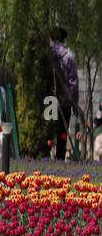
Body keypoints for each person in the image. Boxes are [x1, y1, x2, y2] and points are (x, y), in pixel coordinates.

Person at [47, 27, 78, 160]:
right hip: (65, 101)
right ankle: (59, 157)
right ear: (64, 39)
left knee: (50, 128)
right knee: (62, 132)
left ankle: (47, 156)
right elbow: (73, 83)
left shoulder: (48, 54)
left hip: (50, 99)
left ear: (52, 39)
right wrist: (74, 103)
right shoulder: (69, 56)